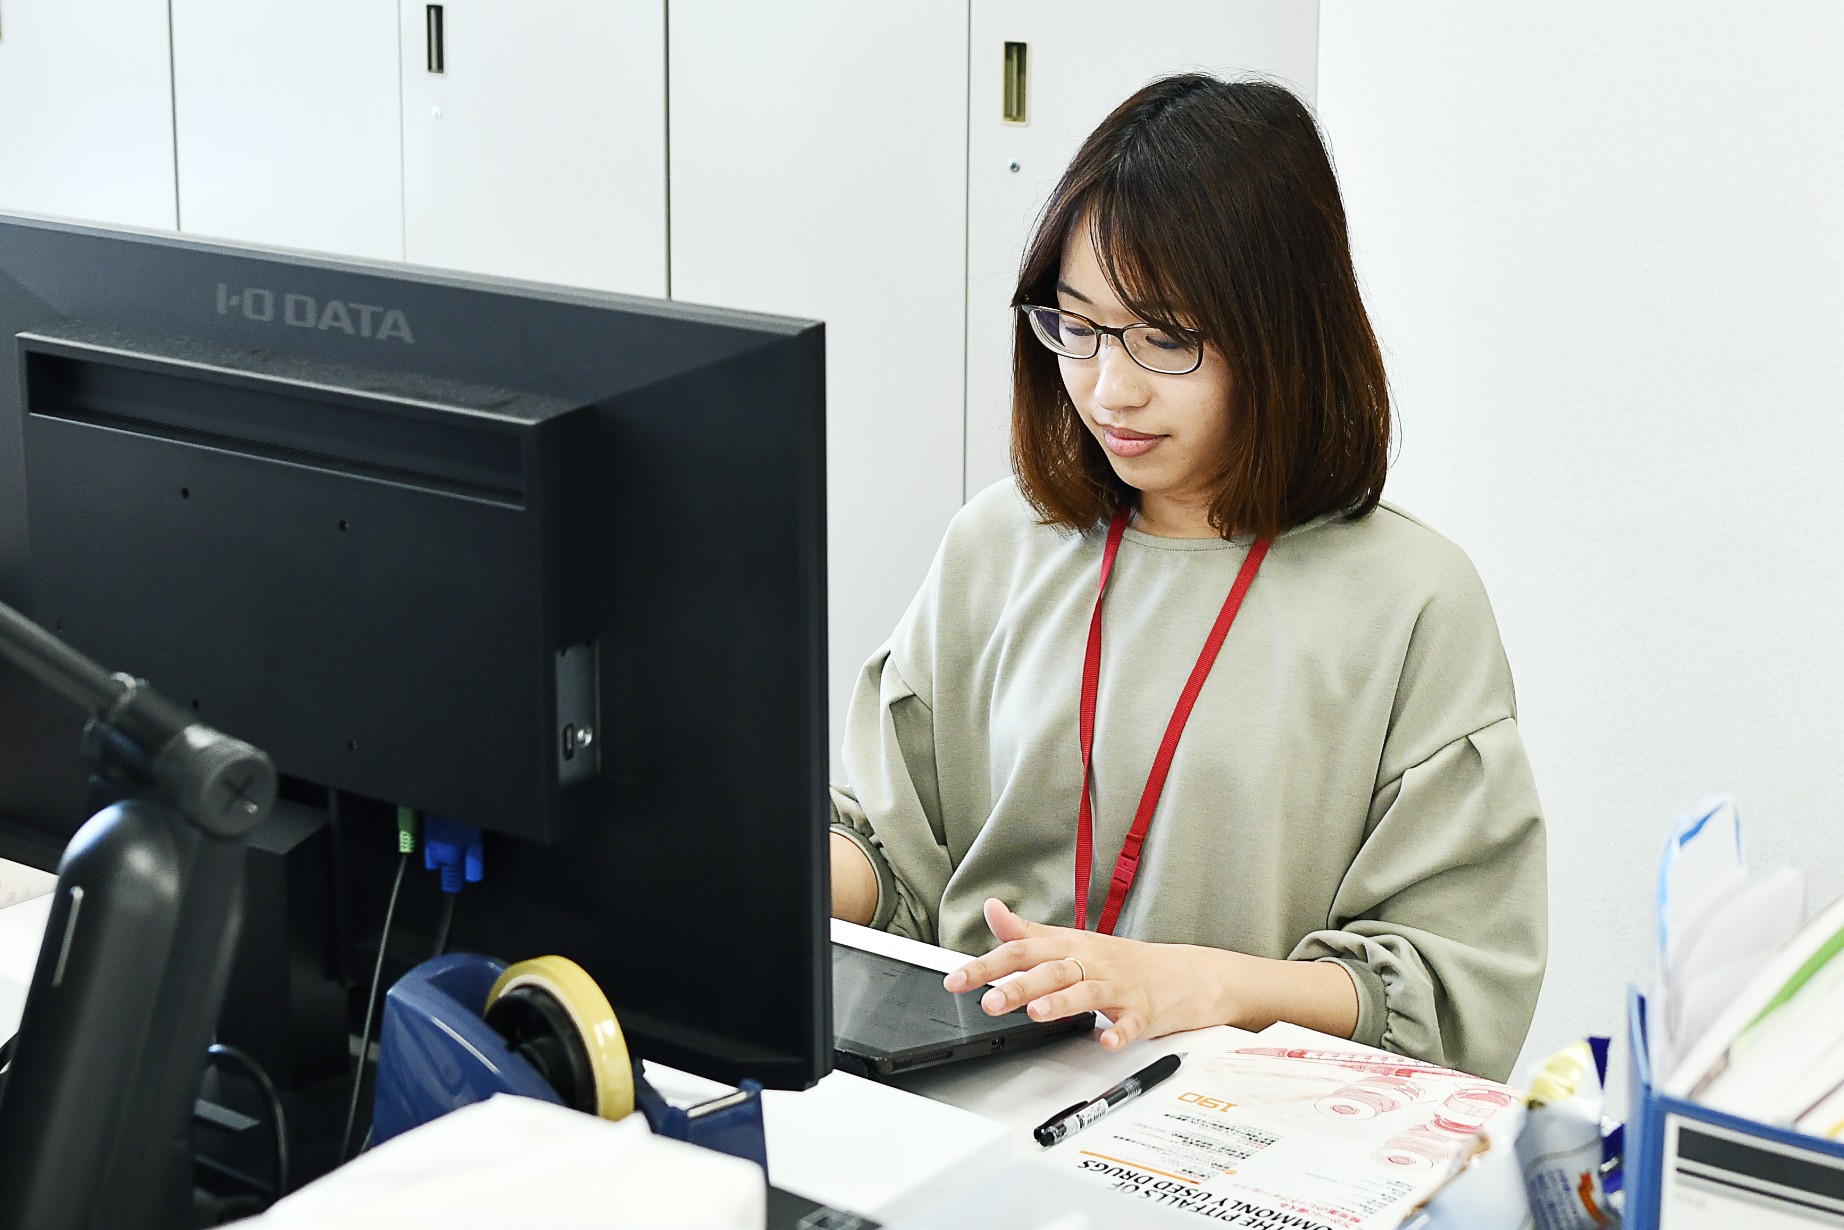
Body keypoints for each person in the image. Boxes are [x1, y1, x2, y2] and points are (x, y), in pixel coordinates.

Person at [827, 75, 1545, 1082]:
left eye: (1165, 339)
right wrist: (753, 867)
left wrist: (1193, 982)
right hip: (961, 1094)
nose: (1108, 388)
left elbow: (1448, 987)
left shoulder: (1412, 600)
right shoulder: (998, 542)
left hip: (1236, 1126)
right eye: (1075, 327)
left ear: (1283, 336)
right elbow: (893, 852)